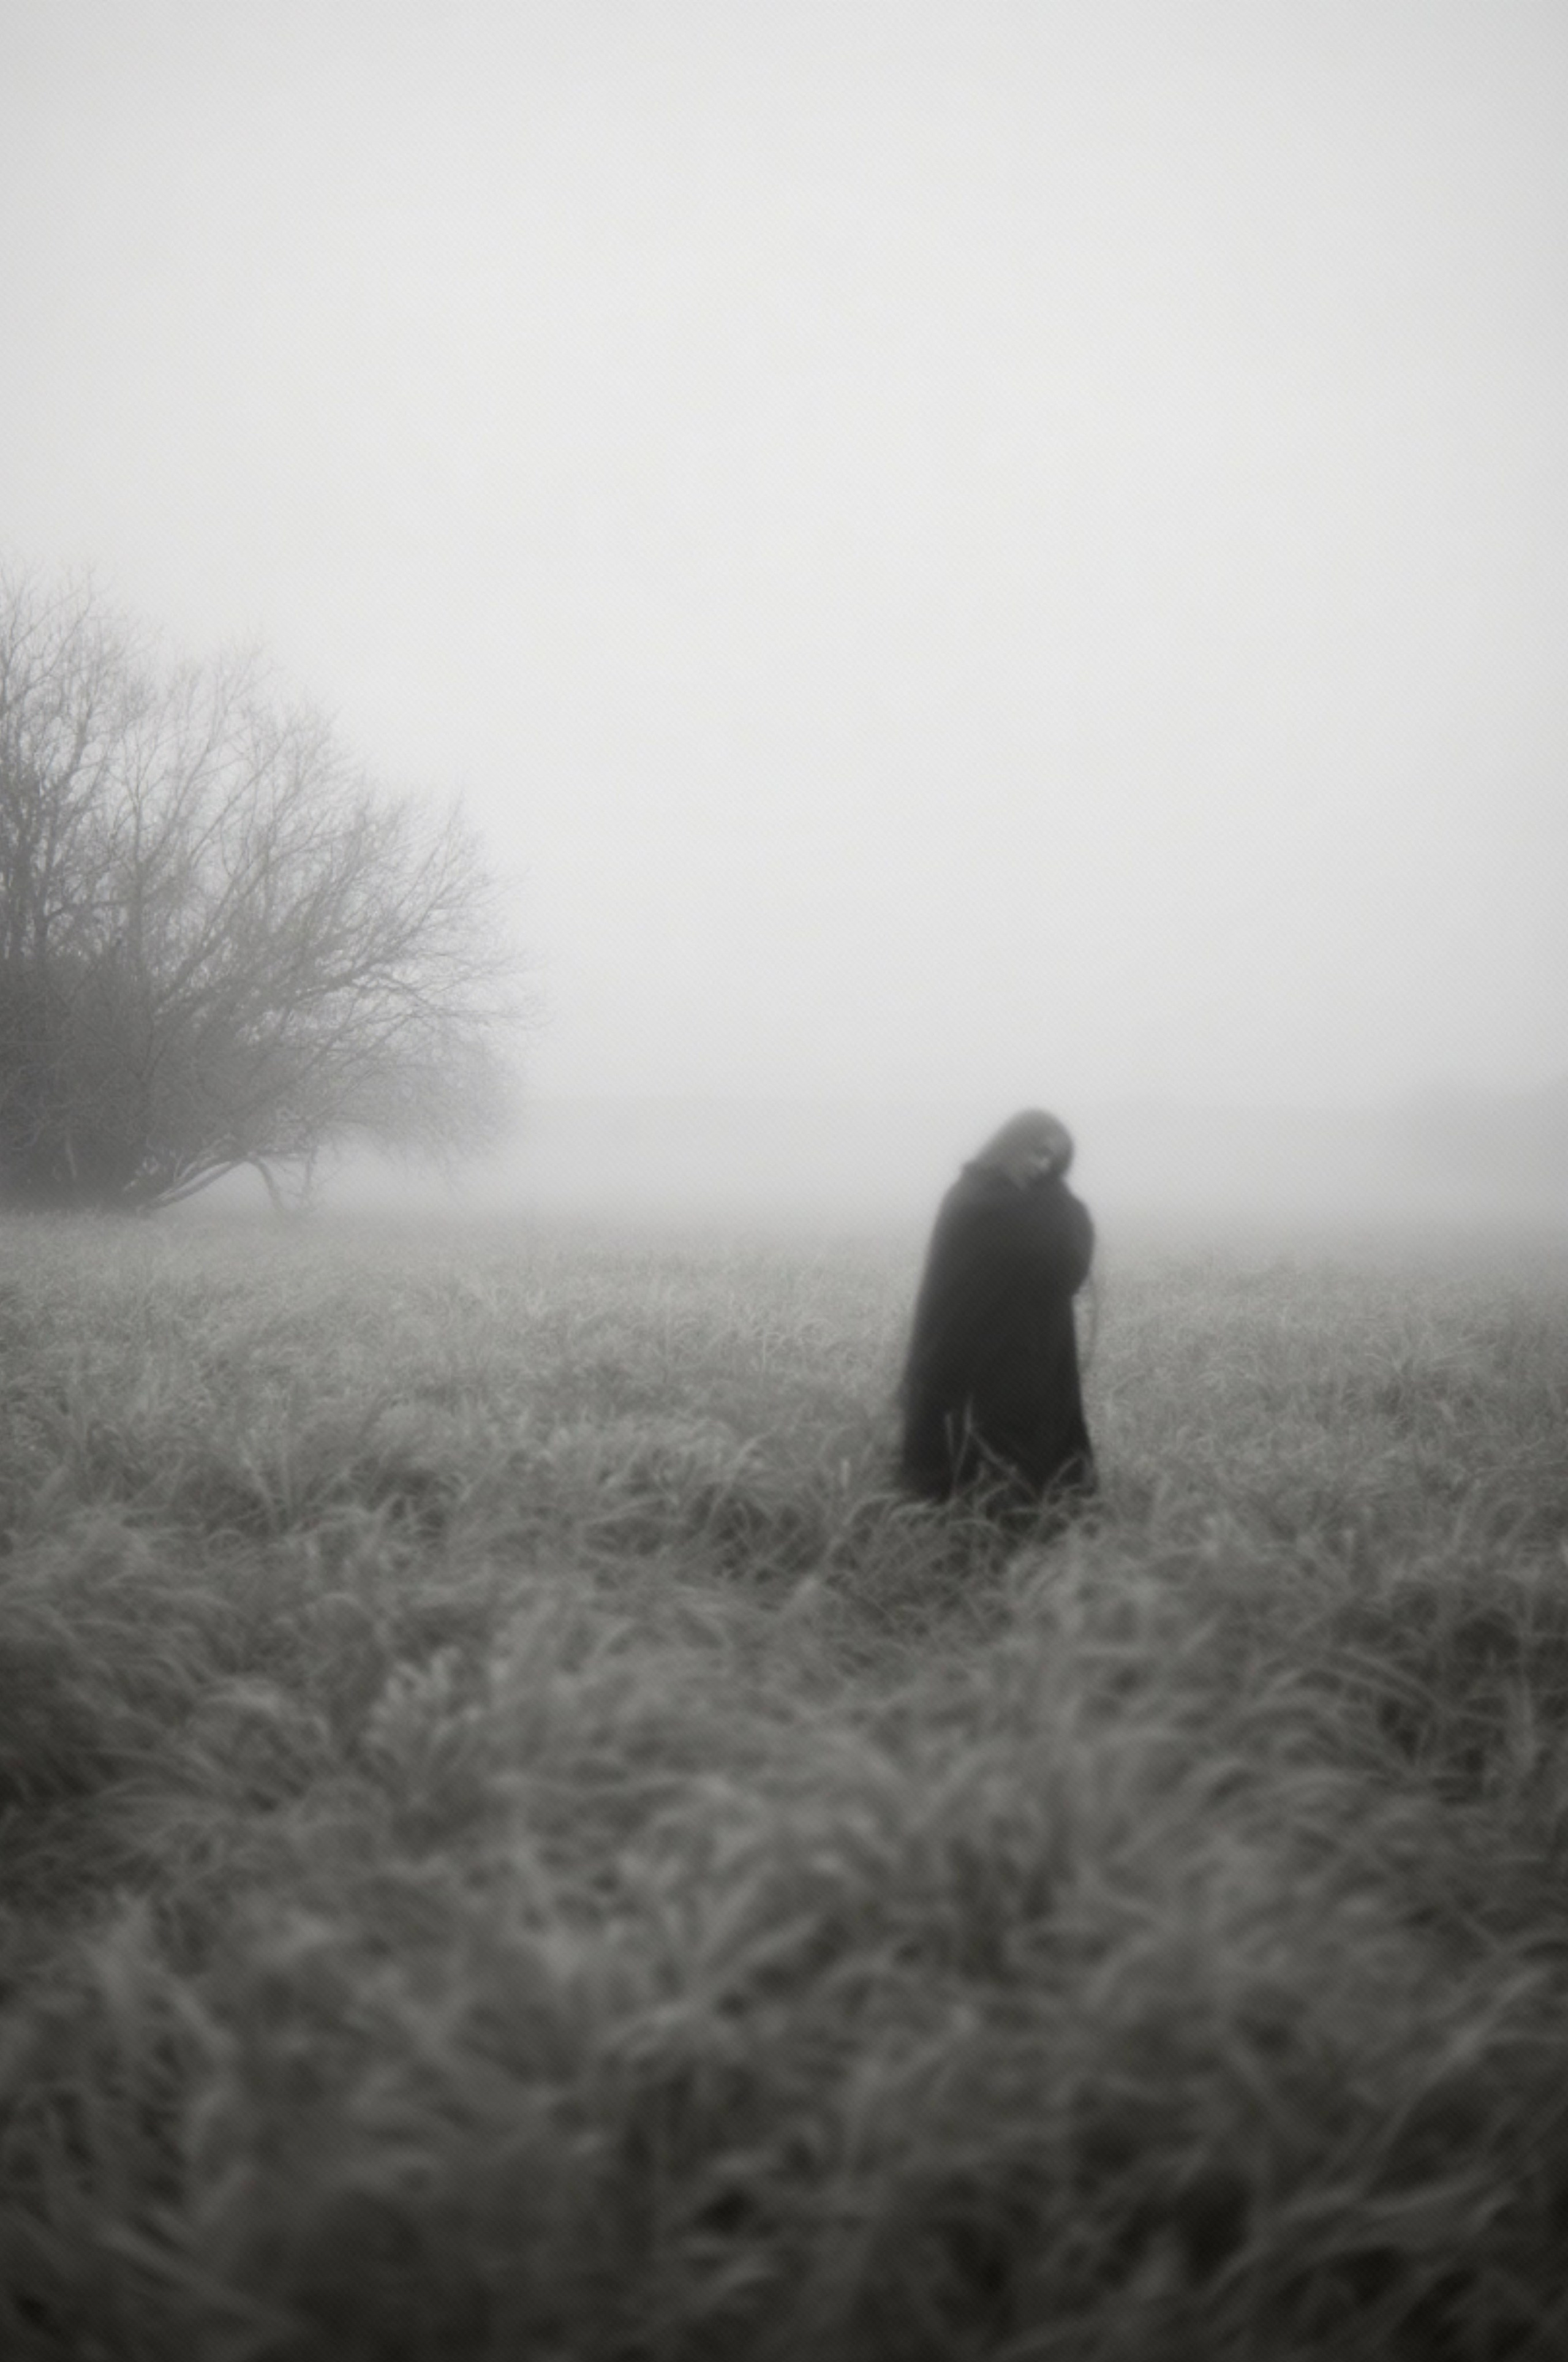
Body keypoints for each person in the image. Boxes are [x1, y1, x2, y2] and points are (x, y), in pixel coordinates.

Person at [899, 1108, 1096, 1512]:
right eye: (1038, 1152)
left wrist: (1054, 1199)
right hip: (972, 1365)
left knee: (1019, 1485)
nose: (1042, 1167)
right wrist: (1059, 1200)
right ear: (1011, 1145)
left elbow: (1066, 1271)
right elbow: (1057, 1255)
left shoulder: (1013, 1206)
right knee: (978, 1478)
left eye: (1054, 1162)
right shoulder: (979, 1202)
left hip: (1023, 1361)